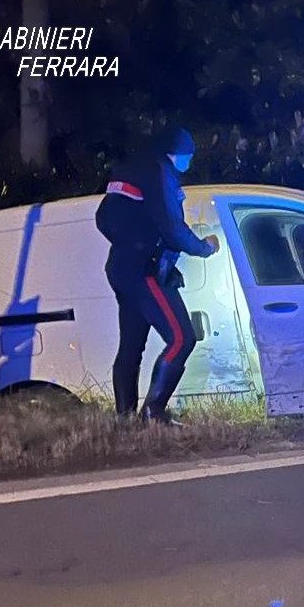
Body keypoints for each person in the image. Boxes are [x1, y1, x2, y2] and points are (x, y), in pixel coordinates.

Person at [94, 126, 219, 424]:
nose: (190, 162)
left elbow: (102, 219)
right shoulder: (160, 172)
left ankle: (125, 420)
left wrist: (130, 243)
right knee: (182, 338)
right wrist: (204, 247)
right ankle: (154, 413)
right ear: (176, 153)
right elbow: (173, 228)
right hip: (145, 271)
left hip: (122, 268)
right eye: (188, 156)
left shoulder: (133, 169)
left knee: (131, 346)